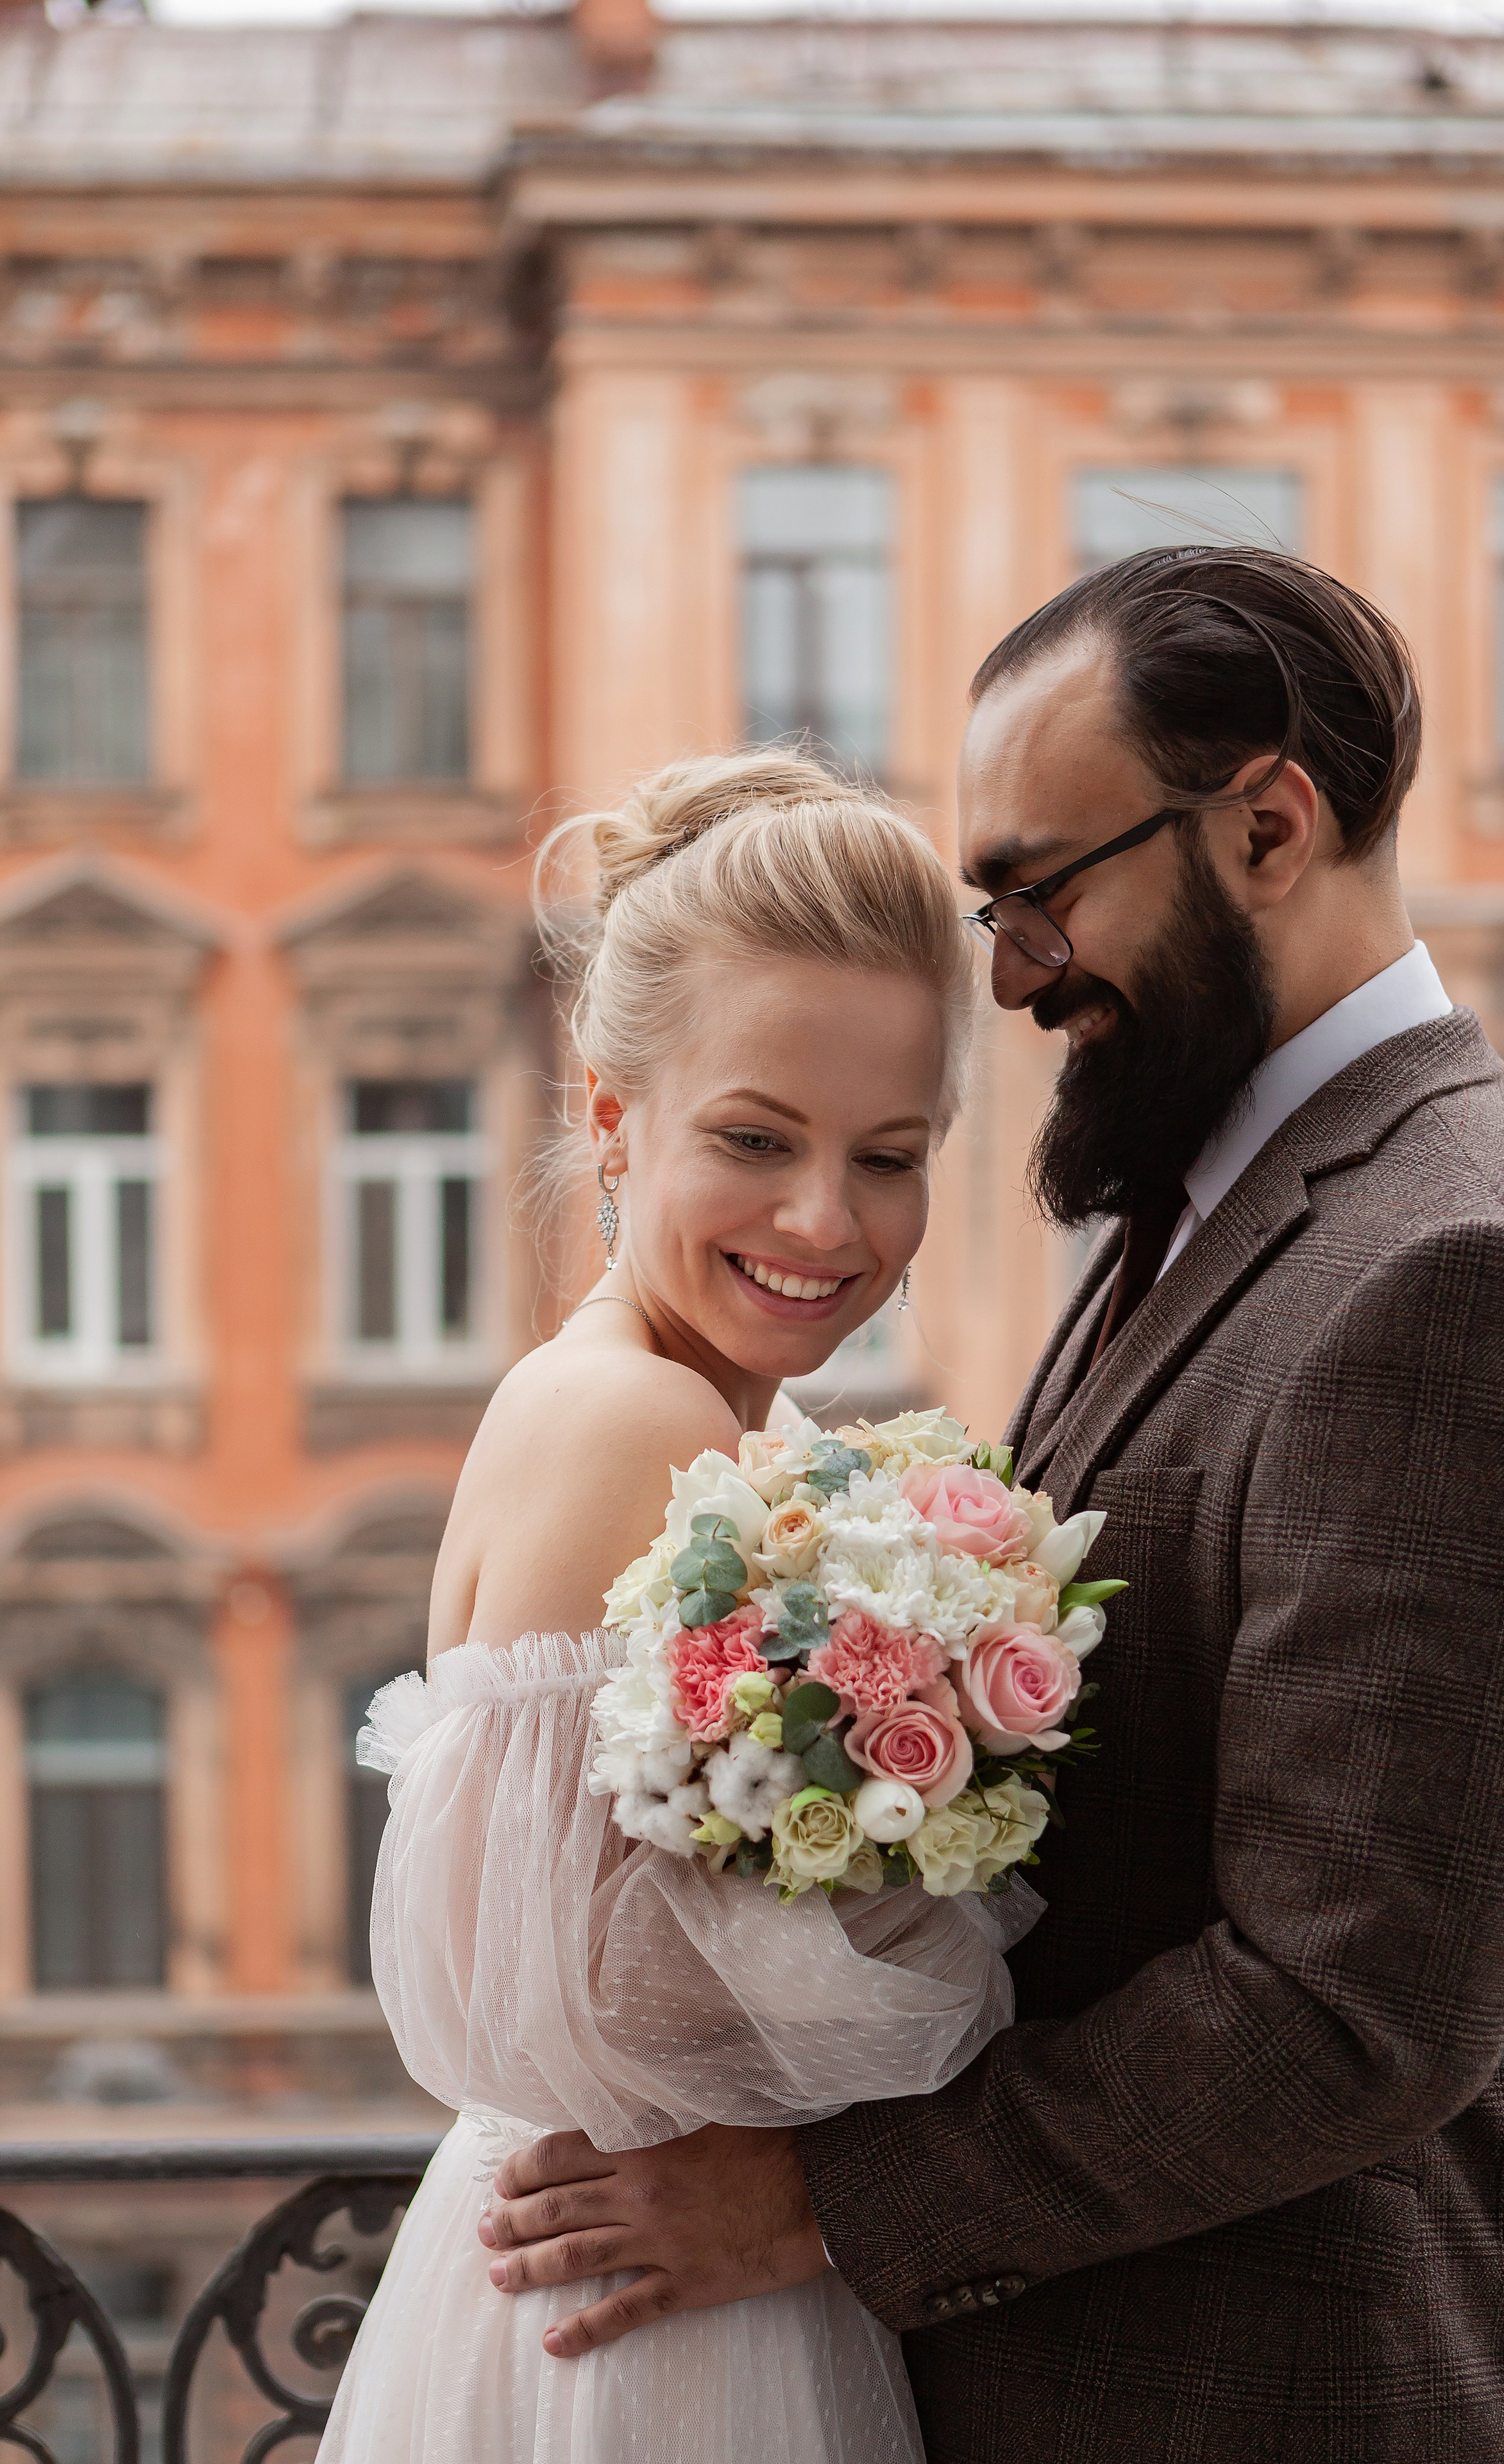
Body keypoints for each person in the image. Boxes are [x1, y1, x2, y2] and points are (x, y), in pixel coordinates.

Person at [482, 549, 1504, 2462]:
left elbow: (1354, 2006)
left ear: (1267, 825)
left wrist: (818, 2203)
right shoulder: (1200, 1206)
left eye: (1039, 890)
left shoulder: (1463, 1269)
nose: (1011, 971)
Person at [316, 750, 1031, 2464]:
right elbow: (577, 1993)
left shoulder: (702, 1409)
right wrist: (969, 1918)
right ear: (613, 1112)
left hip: (662, 2268)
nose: (824, 1220)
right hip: (644, 2300)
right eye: (756, 1137)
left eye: (888, 1154)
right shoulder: (634, 1420)